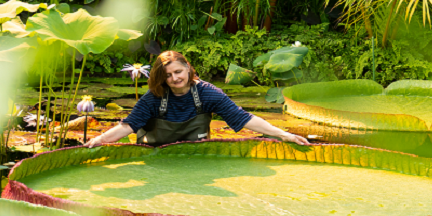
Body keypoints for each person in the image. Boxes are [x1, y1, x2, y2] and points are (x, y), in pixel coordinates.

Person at [83, 50, 309, 147]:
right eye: (168, 75)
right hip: (154, 158)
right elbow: (128, 126)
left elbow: (242, 118)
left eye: (178, 72)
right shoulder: (154, 97)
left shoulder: (207, 93)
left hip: (197, 156)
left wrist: (283, 134)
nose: (175, 78)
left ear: (188, 69)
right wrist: (99, 140)